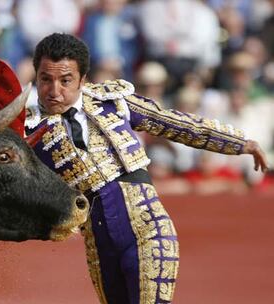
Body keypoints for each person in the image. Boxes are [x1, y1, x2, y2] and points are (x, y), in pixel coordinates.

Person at [25, 33, 269, 304]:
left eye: (65, 80)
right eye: (46, 79)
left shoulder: (113, 102)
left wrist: (238, 143)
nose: (54, 91)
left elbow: (174, 123)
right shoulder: (27, 131)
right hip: (98, 245)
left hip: (149, 231)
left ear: (83, 80)